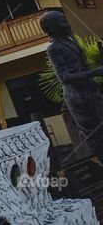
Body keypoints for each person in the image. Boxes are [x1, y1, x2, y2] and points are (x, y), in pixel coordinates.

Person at [40, 10, 103, 159]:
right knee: (94, 133)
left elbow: (84, 65)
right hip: (78, 96)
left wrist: (94, 82)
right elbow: (65, 77)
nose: (67, 24)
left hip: (90, 90)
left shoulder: (70, 41)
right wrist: (96, 72)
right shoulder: (53, 48)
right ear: (53, 28)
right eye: (63, 22)